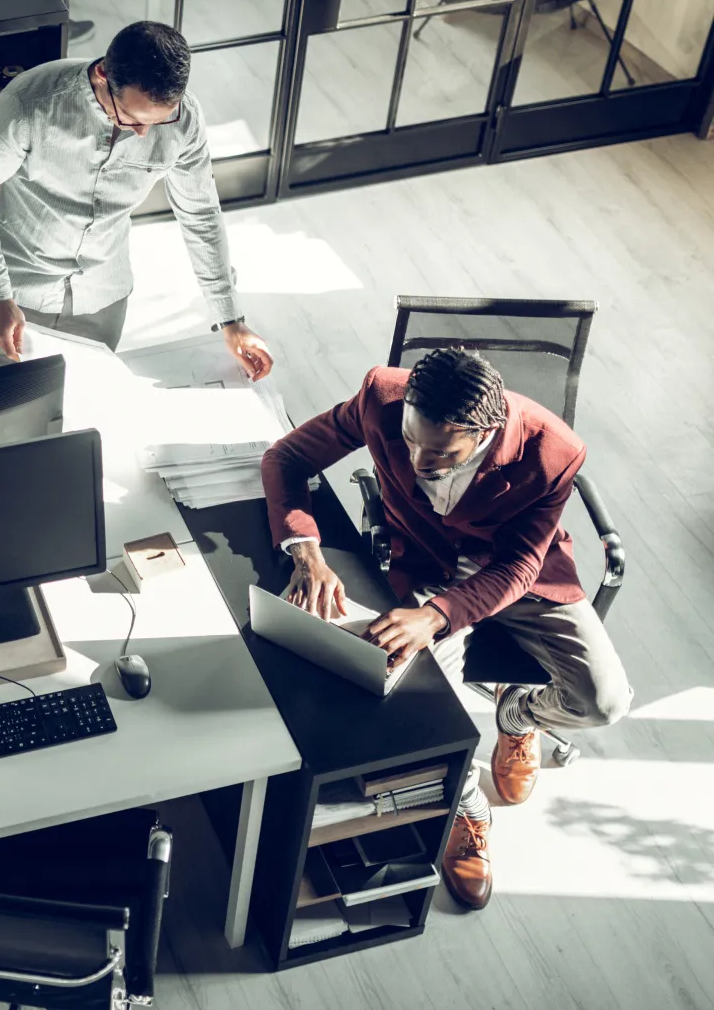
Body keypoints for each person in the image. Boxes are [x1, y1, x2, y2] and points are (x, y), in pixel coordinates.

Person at [260, 349, 631, 911]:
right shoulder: (381, 398)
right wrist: (306, 552)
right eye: (409, 442)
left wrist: (434, 619)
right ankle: (465, 803)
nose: (415, 460)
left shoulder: (553, 450)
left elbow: (520, 566)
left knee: (605, 703)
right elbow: (286, 458)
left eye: (439, 451)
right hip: (426, 569)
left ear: (486, 430)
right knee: (421, 719)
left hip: (520, 580)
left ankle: (518, 714)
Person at [0, 20, 273, 379]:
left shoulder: (184, 122)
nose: (144, 133)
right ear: (103, 75)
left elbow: (200, 214)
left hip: (103, 301)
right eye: (133, 119)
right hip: (15, 293)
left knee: (79, 417)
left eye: (160, 120)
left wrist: (230, 318)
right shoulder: (32, 102)